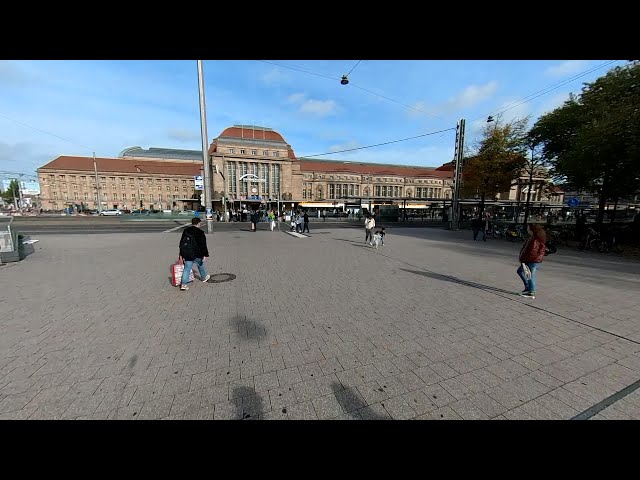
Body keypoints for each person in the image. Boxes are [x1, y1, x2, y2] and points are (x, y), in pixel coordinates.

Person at [517, 224, 547, 299]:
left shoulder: (534, 239)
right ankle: (528, 287)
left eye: (528, 228)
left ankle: (531, 292)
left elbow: (531, 252)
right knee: (520, 271)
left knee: (530, 275)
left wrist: (524, 260)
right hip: (531, 259)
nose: (527, 230)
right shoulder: (534, 237)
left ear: (532, 230)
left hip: (531, 260)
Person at [179, 217, 210, 291]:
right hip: (197, 253)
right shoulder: (200, 232)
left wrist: (181, 253)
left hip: (187, 253)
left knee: (187, 269)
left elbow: (182, 242)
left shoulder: (186, 230)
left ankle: (184, 284)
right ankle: (204, 277)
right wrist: (205, 254)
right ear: (199, 223)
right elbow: (203, 245)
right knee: (200, 265)